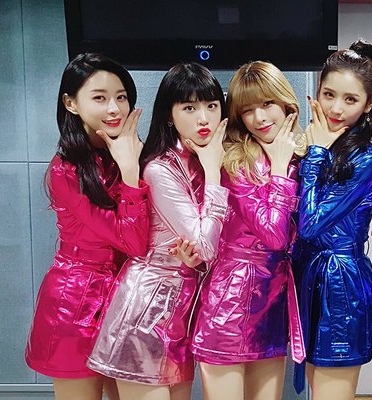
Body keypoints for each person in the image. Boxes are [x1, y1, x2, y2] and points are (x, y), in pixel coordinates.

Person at [87, 62, 229, 400]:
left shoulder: (206, 159)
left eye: (211, 105)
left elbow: (212, 251)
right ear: (169, 115)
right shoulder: (160, 169)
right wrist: (213, 174)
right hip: (146, 309)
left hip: (180, 313)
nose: (204, 118)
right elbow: (204, 246)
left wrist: (199, 261)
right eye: (189, 108)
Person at [25, 53, 148, 400]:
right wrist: (130, 173)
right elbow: (132, 242)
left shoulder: (128, 154)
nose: (114, 108)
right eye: (99, 97)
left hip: (125, 298)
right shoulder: (66, 170)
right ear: (71, 103)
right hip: (75, 302)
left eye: (121, 97)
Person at [190, 61, 305, 400]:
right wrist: (280, 169)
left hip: (272, 300)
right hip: (231, 299)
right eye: (247, 110)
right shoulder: (236, 162)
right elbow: (274, 236)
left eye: (267, 104)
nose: (259, 118)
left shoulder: (301, 158)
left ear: (286, 104)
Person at [293, 39, 372, 400]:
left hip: (341, 286)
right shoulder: (315, 143)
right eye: (329, 94)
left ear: (368, 104)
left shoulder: (364, 158)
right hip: (309, 277)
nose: (335, 108)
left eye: (350, 99)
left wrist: (314, 153)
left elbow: (310, 224)